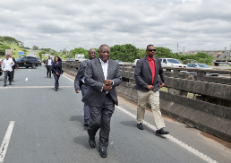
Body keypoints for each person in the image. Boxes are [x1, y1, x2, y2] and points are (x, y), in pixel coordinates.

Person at [82, 44, 122, 158]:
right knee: (95, 122)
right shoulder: (91, 63)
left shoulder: (115, 64)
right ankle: (91, 134)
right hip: (96, 98)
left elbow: (119, 78)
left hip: (109, 99)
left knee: (106, 124)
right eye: (103, 52)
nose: (105, 54)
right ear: (99, 52)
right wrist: (101, 86)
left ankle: (103, 146)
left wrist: (112, 82)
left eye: (107, 52)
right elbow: (87, 79)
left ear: (110, 53)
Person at [134, 44, 169, 135]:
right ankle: (139, 121)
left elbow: (161, 71)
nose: (153, 51)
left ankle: (159, 128)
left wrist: (164, 81)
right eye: (151, 50)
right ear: (147, 51)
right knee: (141, 106)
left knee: (156, 107)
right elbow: (136, 75)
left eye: (154, 50)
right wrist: (146, 85)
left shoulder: (157, 60)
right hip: (143, 88)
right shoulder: (141, 61)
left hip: (155, 88)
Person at [74, 49, 96, 127]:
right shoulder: (84, 64)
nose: (93, 54)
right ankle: (87, 120)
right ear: (89, 54)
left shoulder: (99, 63)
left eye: (94, 53)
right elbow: (78, 76)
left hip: (95, 86)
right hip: (85, 86)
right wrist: (77, 87)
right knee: (87, 102)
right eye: (91, 53)